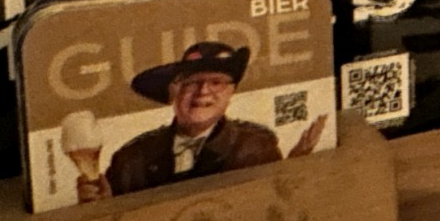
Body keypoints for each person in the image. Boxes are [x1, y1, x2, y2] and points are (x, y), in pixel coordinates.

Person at [76, 41, 327, 202]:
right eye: (192, 83)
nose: (203, 91)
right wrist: (101, 207)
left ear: (231, 92)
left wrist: (291, 175)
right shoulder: (130, 160)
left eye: (216, 82)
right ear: (173, 92)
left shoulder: (254, 148)